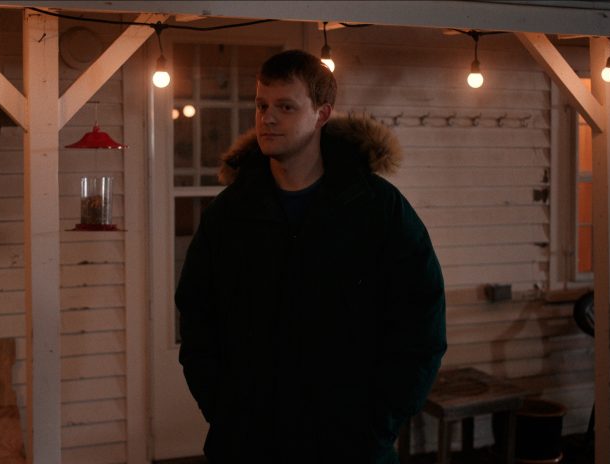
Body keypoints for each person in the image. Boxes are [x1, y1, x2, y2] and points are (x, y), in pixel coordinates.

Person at [175, 49, 447, 464]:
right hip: (248, 443)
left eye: (285, 107)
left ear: (322, 114)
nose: (267, 118)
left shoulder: (375, 208)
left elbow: (421, 319)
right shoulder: (231, 213)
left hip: (351, 444)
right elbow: (197, 315)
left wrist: (380, 419)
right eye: (262, 106)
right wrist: (226, 410)